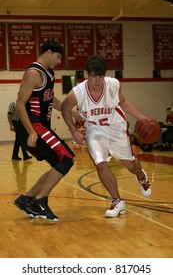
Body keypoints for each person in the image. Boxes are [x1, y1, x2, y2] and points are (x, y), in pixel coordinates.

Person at [61, 54, 151, 218]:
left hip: (116, 128)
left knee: (130, 165)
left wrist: (143, 118)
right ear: (88, 74)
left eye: (100, 76)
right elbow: (65, 108)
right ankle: (117, 201)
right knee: (100, 163)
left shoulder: (113, 85)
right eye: (93, 76)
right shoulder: (77, 92)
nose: (96, 81)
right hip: (95, 130)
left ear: (104, 75)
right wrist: (73, 130)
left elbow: (123, 102)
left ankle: (140, 175)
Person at [14, 40, 78, 221]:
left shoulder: (49, 73)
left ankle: (26, 199)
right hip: (33, 126)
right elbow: (20, 104)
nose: (59, 61)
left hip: (41, 127)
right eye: (58, 57)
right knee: (67, 158)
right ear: (48, 52)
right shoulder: (33, 73)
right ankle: (40, 200)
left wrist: (72, 112)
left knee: (59, 164)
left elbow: (51, 100)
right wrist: (31, 131)